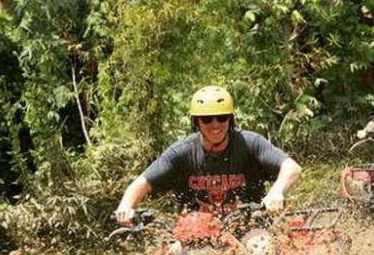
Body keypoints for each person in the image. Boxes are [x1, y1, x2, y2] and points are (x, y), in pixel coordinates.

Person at [114, 86, 302, 225]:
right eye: (206, 119)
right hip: (195, 232)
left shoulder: (249, 143)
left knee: (262, 249)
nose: (215, 124)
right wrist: (126, 206)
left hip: (250, 225)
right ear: (196, 122)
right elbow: (142, 182)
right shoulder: (182, 151)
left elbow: (291, 167)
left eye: (222, 117)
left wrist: (276, 191)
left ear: (231, 119)